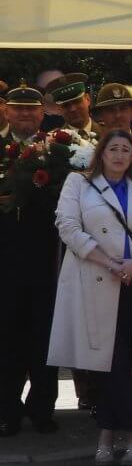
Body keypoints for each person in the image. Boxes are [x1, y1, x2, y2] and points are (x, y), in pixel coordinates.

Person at [49, 128, 132, 465]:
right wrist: (108, 261)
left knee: (124, 360)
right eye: (113, 149)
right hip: (94, 280)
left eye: (126, 150)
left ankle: (107, 434)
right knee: (106, 361)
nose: (119, 155)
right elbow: (67, 226)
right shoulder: (78, 183)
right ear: (101, 153)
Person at [0, 84, 61, 437]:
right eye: (18, 109)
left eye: (31, 110)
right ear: (6, 111)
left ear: (42, 113)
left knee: (44, 338)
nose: (24, 115)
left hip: (45, 258)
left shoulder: (58, 148)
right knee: (6, 338)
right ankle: (7, 410)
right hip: (5, 258)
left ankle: (42, 409)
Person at [49, 74, 98, 140]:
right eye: (66, 105)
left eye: (77, 102)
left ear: (88, 99)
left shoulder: (108, 132)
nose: (73, 109)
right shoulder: (52, 140)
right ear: (59, 109)